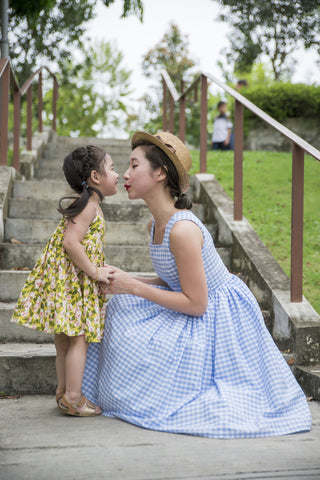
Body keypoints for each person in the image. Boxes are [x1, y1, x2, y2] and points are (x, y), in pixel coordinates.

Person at [82, 131, 312, 438]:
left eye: (134, 166)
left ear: (160, 173)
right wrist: (125, 280)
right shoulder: (155, 224)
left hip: (218, 317)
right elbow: (171, 279)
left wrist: (133, 286)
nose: (125, 173)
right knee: (122, 307)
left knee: (131, 307)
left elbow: (197, 303)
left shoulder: (183, 230)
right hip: (195, 302)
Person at [11, 145, 118, 417]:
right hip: (73, 282)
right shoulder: (88, 208)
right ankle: (73, 397)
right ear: (95, 176)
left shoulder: (85, 205)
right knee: (79, 337)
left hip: (66, 281)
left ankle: (61, 392)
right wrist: (95, 272)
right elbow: (71, 243)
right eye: (112, 168)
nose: (117, 174)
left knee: (63, 340)